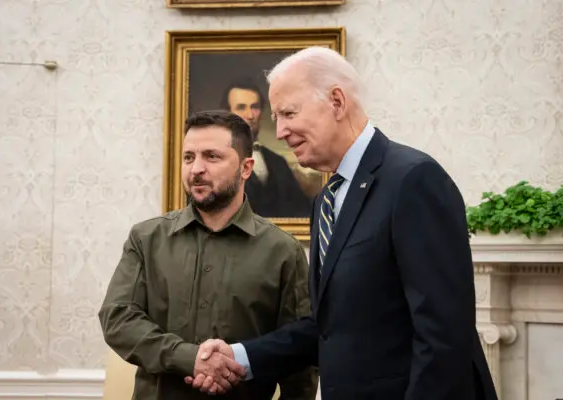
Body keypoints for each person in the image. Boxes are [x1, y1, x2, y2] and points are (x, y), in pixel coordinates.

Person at [186, 48, 498, 400]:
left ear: (336, 101)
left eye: (288, 113)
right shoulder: (326, 199)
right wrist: (240, 356)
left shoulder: (413, 179)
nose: (282, 130)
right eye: (276, 116)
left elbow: (443, 334)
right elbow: (330, 326)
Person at [98, 110, 318, 399]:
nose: (196, 169)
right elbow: (118, 320)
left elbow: (299, 355)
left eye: (211, 157)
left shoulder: (283, 251)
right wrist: (191, 359)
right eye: (189, 157)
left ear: (246, 167)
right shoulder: (146, 239)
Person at [220, 78, 312, 218]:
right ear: (227, 114)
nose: (250, 115)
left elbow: (302, 212)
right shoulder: (215, 161)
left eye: (255, 107)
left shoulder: (278, 162)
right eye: (241, 107)